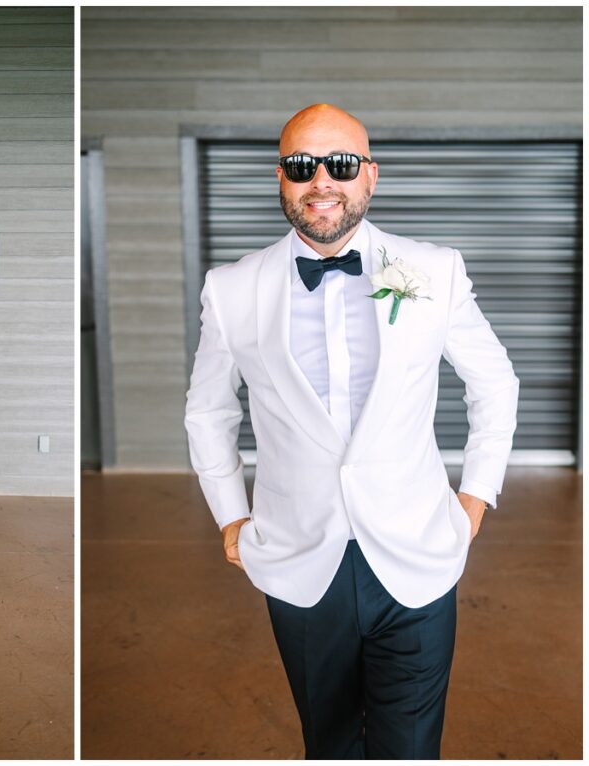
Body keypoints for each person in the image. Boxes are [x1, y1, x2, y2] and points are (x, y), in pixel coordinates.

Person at [184, 104, 519, 759]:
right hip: (299, 559)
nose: (321, 182)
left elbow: (494, 383)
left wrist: (475, 497)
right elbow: (208, 411)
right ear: (281, 177)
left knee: (410, 748)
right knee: (329, 744)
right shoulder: (232, 288)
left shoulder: (431, 270)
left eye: (339, 164)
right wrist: (229, 514)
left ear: (370, 175)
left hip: (419, 554)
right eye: (300, 165)